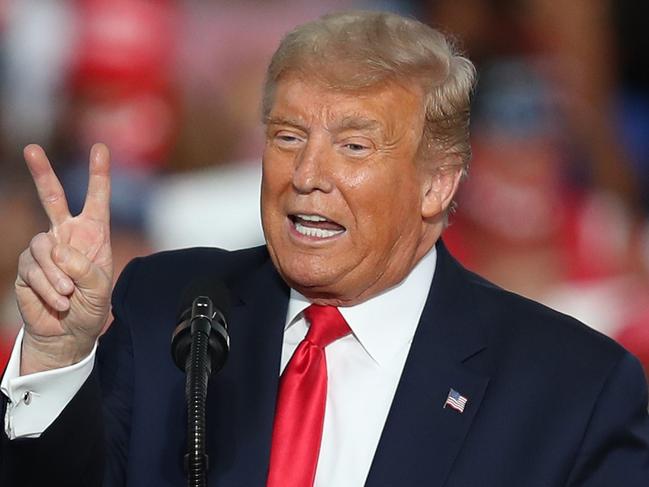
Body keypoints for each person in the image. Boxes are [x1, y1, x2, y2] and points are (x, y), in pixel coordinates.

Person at [1, 11, 648, 487]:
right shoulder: (167, 307)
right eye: (286, 136)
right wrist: (57, 355)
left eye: (354, 145)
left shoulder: (570, 388)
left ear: (437, 182)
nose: (306, 174)